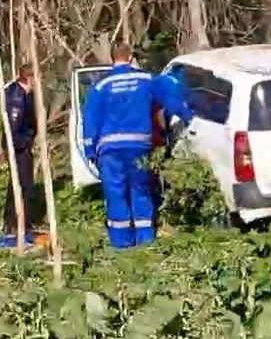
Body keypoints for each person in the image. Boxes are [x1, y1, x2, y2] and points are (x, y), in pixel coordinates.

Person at [82, 44, 194, 249]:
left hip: (110, 149)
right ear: (131, 57)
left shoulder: (101, 85)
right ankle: (145, 239)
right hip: (139, 145)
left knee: (115, 192)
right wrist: (189, 117)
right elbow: (170, 99)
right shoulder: (146, 79)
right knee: (140, 189)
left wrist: (90, 149)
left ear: (112, 58)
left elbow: (90, 118)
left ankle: (121, 242)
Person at [2, 64, 37, 238]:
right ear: (29, 78)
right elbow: (13, 126)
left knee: (19, 183)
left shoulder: (25, 95)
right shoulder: (16, 96)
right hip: (18, 147)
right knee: (22, 184)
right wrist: (21, 144)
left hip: (23, 145)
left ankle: (16, 222)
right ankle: (16, 223)